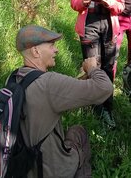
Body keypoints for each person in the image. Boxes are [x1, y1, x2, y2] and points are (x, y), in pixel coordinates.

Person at [15, 25, 114, 178]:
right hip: (51, 170)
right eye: (51, 45)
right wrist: (93, 69)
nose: (56, 50)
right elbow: (105, 88)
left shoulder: (15, 77)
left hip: (25, 165)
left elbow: (50, 96)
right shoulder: (49, 83)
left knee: (73, 131)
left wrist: (80, 82)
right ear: (35, 51)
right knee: (79, 132)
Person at [71, 0, 124, 129]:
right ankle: (93, 107)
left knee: (108, 68)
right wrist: (82, 2)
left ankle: (107, 107)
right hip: (89, 23)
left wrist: (111, 2)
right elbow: (74, 2)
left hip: (109, 24)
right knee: (93, 66)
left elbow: (121, 6)